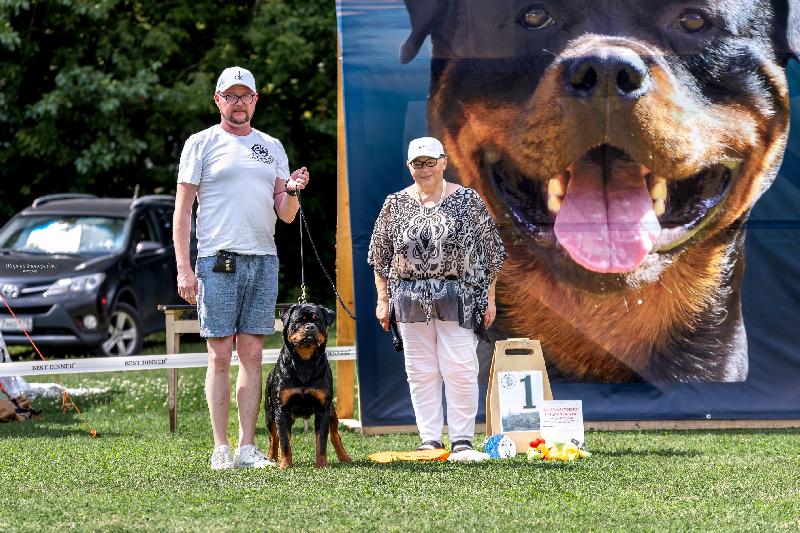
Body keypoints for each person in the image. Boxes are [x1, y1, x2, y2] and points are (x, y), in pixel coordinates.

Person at [173, 66, 310, 470]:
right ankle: (220, 448)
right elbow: (182, 211)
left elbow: (286, 213)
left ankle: (247, 447)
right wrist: (184, 268)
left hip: (263, 258)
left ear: (255, 100)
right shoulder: (200, 143)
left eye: (244, 95)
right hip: (217, 260)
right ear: (218, 100)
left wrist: (293, 190)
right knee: (219, 354)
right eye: (230, 96)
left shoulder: (272, 146)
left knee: (252, 353)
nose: (238, 103)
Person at [368, 136, 506, 453]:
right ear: (409, 167)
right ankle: (429, 439)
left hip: (459, 297)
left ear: (444, 162)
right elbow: (379, 256)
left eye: (430, 162)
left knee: (460, 369)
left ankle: (462, 441)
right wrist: (382, 300)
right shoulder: (394, 203)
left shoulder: (468, 199)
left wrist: (490, 298)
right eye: (417, 163)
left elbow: (493, 253)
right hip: (408, 299)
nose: (424, 168)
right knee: (420, 372)